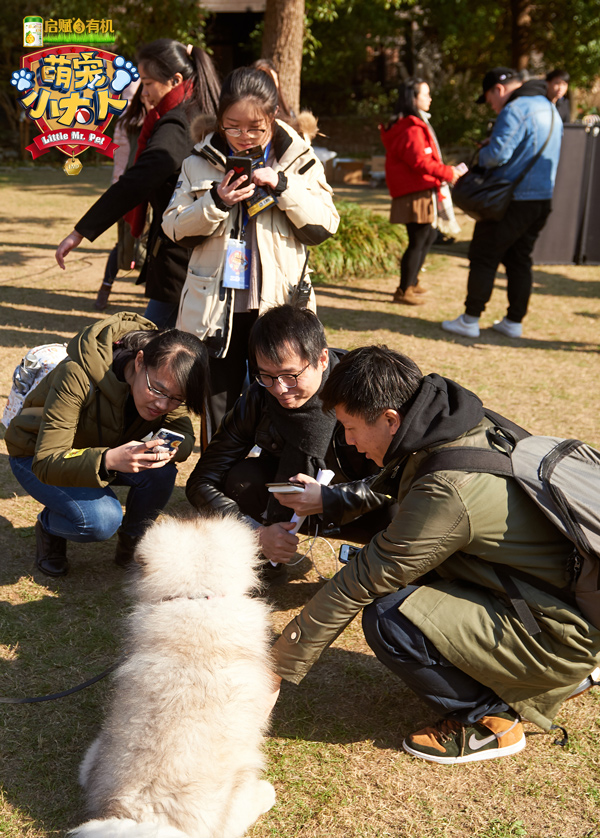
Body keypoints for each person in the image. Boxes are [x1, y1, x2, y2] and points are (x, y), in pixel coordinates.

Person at [268, 345, 600, 763]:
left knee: (390, 615)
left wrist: (277, 665)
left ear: (391, 418)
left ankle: (490, 719)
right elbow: (396, 481)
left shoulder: (447, 490)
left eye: (350, 428)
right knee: (410, 575)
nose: (348, 441)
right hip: (561, 600)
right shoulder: (460, 421)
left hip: (557, 629)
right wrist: (332, 500)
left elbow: (363, 581)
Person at [162, 66, 339, 431]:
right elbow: (173, 228)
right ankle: (216, 482)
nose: (243, 136)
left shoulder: (300, 159)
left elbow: (325, 224)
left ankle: (273, 480)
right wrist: (216, 201)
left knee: (283, 400)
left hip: (281, 303)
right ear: (220, 118)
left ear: (272, 117)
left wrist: (283, 186)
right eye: (232, 126)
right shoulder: (198, 161)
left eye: (255, 127)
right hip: (215, 306)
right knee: (218, 404)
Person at [185, 306, 394, 584]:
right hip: (285, 507)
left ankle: (379, 573)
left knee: (403, 510)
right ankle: (266, 557)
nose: (280, 389)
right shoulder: (259, 396)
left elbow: (396, 481)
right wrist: (254, 533)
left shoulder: (363, 391)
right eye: (266, 376)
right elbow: (202, 480)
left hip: (356, 509)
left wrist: (328, 499)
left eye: (290, 375)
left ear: (321, 360)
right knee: (241, 479)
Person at [5, 312, 209, 577]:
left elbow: (183, 433)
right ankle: (49, 526)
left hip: (104, 450)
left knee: (161, 472)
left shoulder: (167, 379)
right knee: (100, 520)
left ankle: (133, 545)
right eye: (157, 391)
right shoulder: (78, 374)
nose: (163, 405)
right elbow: (47, 460)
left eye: (176, 399)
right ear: (139, 362)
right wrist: (109, 460)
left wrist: (162, 449)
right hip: (35, 455)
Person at [55, 39, 221, 329]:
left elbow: (136, 181)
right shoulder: (196, 111)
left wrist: (81, 231)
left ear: (176, 80)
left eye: (148, 83)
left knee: (151, 345)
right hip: (193, 254)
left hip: (182, 256)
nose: (143, 93)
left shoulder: (177, 125)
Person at [442, 67, 562, 339]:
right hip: (541, 198)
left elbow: (496, 156)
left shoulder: (516, 108)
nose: (492, 107)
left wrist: (484, 149)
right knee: (520, 259)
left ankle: (470, 319)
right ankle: (514, 321)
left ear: (498, 89)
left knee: (484, 256)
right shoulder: (549, 106)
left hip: (511, 200)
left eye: (489, 100)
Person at [380, 78, 463, 306]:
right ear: (413, 99)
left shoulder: (411, 124)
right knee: (419, 238)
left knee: (428, 235)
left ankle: (412, 281)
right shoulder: (411, 128)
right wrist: (447, 172)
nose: (430, 98)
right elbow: (421, 162)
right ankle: (404, 289)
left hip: (418, 188)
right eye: (425, 94)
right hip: (415, 190)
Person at [94, 82, 148, 312]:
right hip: (128, 188)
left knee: (132, 243)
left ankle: (106, 288)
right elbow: (124, 160)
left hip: (127, 187)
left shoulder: (130, 121)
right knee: (127, 243)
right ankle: (106, 288)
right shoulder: (133, 122)